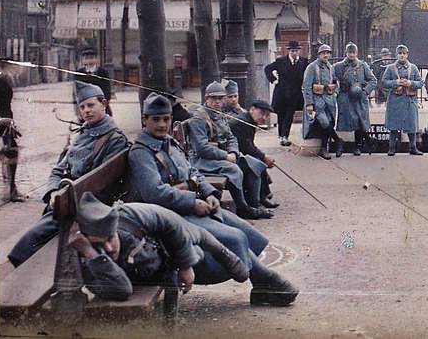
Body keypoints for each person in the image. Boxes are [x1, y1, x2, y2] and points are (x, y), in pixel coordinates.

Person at [124, 93, 297, 305]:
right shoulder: (141, 153)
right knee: (233, 237)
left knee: (240, 226)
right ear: (144, 120)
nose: (162, 125)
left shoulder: (168, 142)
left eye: (166, 119)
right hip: (166, 215)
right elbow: (155, 193)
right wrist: (191, 202)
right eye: (155, 119)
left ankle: (263, 281)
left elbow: (192, 170)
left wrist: (208, 193)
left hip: (184, 206)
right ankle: (265, 281)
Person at [71, 191, 297, 306]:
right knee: (216, 241)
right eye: (99, 244)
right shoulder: (88, 256)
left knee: (213, 234)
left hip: (166, 240)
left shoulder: (128, 217)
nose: (109, 247)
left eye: (110, 238)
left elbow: (170, 220)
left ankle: (224, 253)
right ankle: (262, 278)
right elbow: (121, 291)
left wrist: (185, 265)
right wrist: (93, 255)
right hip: (157, 261)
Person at [8, 81, 128, 267]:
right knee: (27, 246)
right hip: (66, 200)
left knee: (26, 247)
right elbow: (58, 169)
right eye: (82, 107)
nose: (86, 111)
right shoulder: (84, 133)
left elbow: (103, 186)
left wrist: (64, 198)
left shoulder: (113, 139)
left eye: (91, 105)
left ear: (103, 104)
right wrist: (53, 192)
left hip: (84, 207)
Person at [187, 82, 270, 220]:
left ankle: (256, 203)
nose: (218, 102)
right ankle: (243, 208)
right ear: (206, 98)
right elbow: (202, 148)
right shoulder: (199, 119)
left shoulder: (219, 115)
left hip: (221, 156)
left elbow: (231, 138)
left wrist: (233, 152)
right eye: (214, 98)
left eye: (220, 98)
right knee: (234, 170)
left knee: (255, 163)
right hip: (202, 160)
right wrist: (225, 156)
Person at [228, 98, 279, 209]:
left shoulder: (249, 121)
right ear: (252, 110)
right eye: (262, 114)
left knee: (258, 159)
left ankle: (262, 197)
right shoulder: (241, 122)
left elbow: (250, 146)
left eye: (267, 115)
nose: (264, 118)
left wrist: (263, 157)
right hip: (230, 155)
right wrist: (264, 157)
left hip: (239, 153)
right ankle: (255, 202)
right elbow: (246, 148)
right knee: (256, 163)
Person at [333, 43, 377, 157]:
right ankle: (367, 140)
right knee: (351, 121)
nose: (351, 54)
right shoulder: (339, 66)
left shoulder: (362, 65)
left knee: (360, 121)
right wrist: (336, 91)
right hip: (346, 98)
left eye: (353, 52)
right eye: (349, 52)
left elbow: (373, 80)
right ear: (346, 53)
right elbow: (331, 77)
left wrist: (365, 92)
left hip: (359, 98)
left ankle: (358, 146)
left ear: (356, 53)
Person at [381, 44, 424, 156]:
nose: (402, 55)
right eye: (400, 53)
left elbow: (420, 83)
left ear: (407, 55)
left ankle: (413, 147)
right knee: (394, 126)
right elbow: (383, 83)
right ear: (397, 55)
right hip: (395, 100)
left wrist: (410, 83)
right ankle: (391, 148)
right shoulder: (390, 68)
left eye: (404, 53)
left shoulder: (413, 68)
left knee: (412, 125)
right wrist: (396, 82)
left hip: (409, 100)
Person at [302, 43, 342, 160]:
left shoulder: (331, 67)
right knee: (324, 122)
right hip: (317, 101)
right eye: (323, 53)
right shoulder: (312, 67)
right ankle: (338, 140)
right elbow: (306, 86)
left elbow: (336, 83)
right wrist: (309, 103)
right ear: (319, 54)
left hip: (329, 101)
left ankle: (325, 149)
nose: (326, 55)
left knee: (328, 123)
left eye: (327, 53)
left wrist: (335, 94)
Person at [265, 41, 309, 147]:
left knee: (289, 115)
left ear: (299, 51)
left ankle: (285, 136)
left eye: (296, 51)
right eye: (293, 51)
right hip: (281, 93)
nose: (295, 53)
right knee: (281, 114)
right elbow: (267, 68)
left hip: (295, 95)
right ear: (289, 51)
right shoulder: (281, 61)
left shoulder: (304, 62)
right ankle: (281, 136)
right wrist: (273, 80)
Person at [0, 57, 22, 202]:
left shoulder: (3, 82)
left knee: (12, 150)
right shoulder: (1, 82)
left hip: (3, 121)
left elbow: (5, 106)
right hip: (1, 121)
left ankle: (11, 189)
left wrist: (7, 120)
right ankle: (11, 189)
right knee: (11, 150)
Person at [74, 48, 112, 117]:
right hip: (85, 104)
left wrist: (105, 103)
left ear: (97, 59)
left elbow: (107, 90)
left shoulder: (102, 72)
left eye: (91, 58)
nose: (89, 61)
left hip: (100, 103)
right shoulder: (79, 73)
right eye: (86, 58)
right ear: (83, 60)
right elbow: (76, 91)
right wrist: (78, 108)